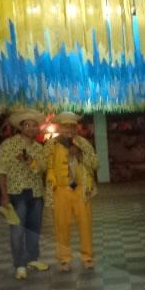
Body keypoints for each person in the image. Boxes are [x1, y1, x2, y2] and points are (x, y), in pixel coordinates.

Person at [0, 109, 49, 280]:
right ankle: (19, 264)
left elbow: (41, 169)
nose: (31, 128)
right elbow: (1, 171)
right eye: (28, 125)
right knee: (17, 231)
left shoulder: (39, 148)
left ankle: (32, 259)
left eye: (35, 126)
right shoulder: (8, 145)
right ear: (20, 126)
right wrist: (4, 195)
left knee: (34, 230)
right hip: (16, 193)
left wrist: (28, 161)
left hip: (36, 192)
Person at [46, 112, 99, 272]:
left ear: (76, 128)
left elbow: (95, 163)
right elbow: (47, 166)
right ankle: (64, 259)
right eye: (65, 126)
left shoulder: (83, 143)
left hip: (81, 190)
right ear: (59, 128)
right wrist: (53, 182)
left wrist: (81, 155)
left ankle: (87, 257)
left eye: (72, 126)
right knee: (61, 226)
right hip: (61, 190)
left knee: (85, 224)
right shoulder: (52, 144)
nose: (69, 129)